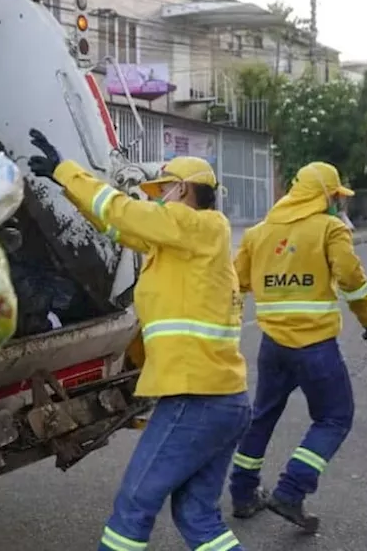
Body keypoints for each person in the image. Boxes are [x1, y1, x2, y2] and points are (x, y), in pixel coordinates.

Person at [26, 129, 251, 551]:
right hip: (220, 399)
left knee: (134, 504)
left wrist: (66, 170)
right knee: (197, 516)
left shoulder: (196, 225)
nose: (155, 198)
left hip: (196, 398)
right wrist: (66, 188)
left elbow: (124, 212)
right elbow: (118, 226)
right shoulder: (181, 244)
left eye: (161, 190)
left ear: (182, 189)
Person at [228, 162, 367, 533]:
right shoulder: (330, 228)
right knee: (334, 418)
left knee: (262, 416)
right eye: (335, 196)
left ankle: (244, 493)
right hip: (315, 347)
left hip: (272, 345)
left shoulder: (258, 232)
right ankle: (291, 490)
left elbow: (238, 281)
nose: (337, 203)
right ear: (324, 195)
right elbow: (351, 278)